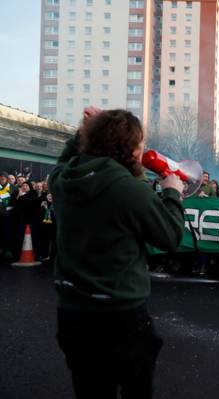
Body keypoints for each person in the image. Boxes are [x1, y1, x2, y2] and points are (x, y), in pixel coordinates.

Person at [50, 108, 185, 399]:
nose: (143, 150)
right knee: (136, 389)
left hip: (72, 312)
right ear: (128, 149)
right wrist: (172, 192)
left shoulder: (62, 180)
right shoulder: (129, 190)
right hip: (121, 314)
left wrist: (82, 134)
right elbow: (171, 236)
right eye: (140, 143)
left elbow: (63, 161)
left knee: (90, 390)